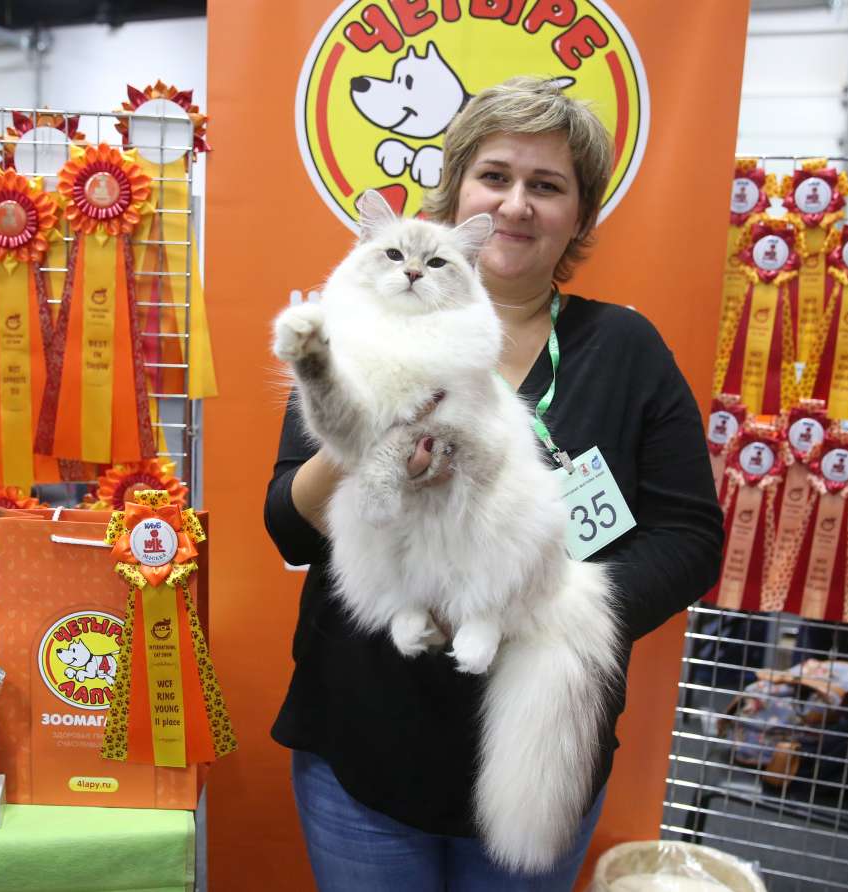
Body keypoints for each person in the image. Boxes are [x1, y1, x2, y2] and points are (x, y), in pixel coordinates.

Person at [263, 76, 726, 891]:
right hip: (367, 732)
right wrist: (366, 431)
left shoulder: (625, 349)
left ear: (579, 215)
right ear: (457, 192)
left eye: (546, 186)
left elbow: (689, 540)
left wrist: (543, 603)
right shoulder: (358, 326)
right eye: (495, 176)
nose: (516, 204)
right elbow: (288, 523)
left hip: (540, 729)